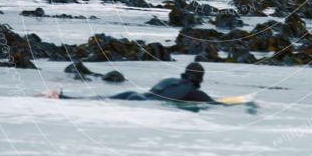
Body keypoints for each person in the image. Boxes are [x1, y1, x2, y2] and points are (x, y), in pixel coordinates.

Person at [48, 62, 216, 104]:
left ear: (184, 74)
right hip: (142, 101)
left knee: (98, 98)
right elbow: (216, 104)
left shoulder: (170, 81)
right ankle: (59, 97)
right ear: (200, 79)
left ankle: (61, 96)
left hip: (133, 94)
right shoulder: (193, 92)